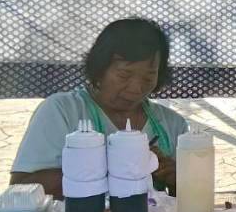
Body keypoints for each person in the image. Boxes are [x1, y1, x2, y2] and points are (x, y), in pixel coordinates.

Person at [11, 19, 186, 196]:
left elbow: (185, 203)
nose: (136, 88)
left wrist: (178, 179)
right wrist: (109, 164)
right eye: (124, 75)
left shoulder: (172, 124)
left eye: (148, 77)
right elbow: (21, 188)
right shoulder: (62, 110)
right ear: (100, 68)